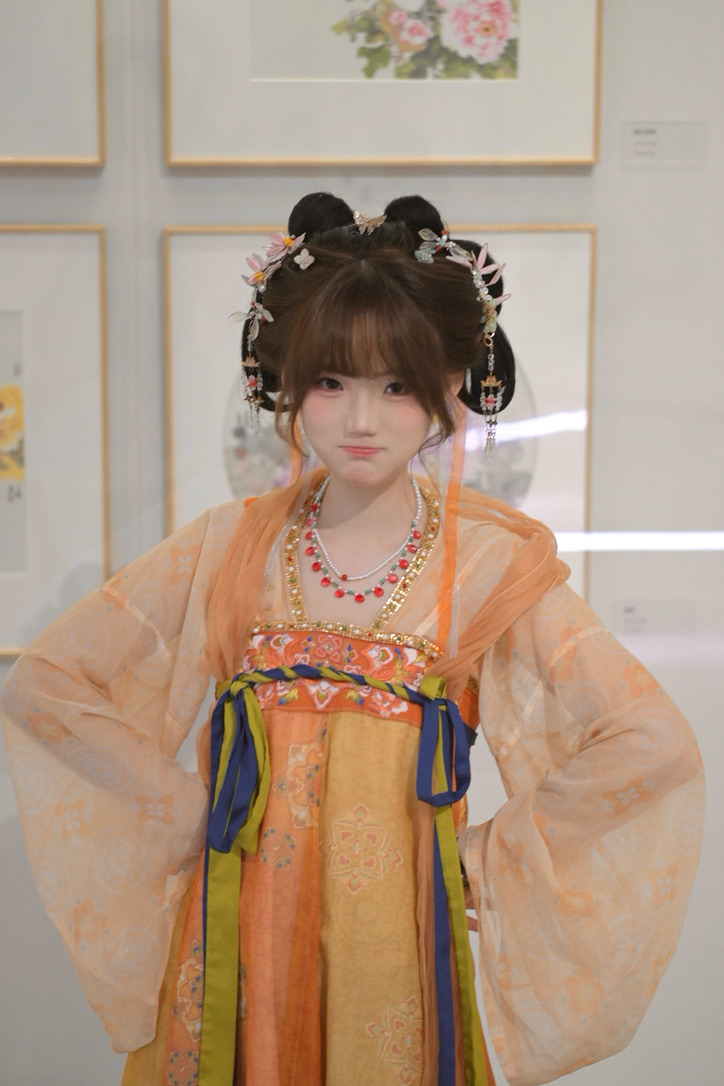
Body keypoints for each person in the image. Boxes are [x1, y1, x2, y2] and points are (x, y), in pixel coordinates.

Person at [0, 193, 704, 1086]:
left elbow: (650, 742)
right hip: (236, 938)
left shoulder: (486, 570)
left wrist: (483, 858)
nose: (361, 418)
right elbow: (48, 684)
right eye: (331, 382)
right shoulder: (228, 546)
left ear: (452, 382)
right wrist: (182, 813)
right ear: (286, 379)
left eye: (397, 385)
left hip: (394, 948)